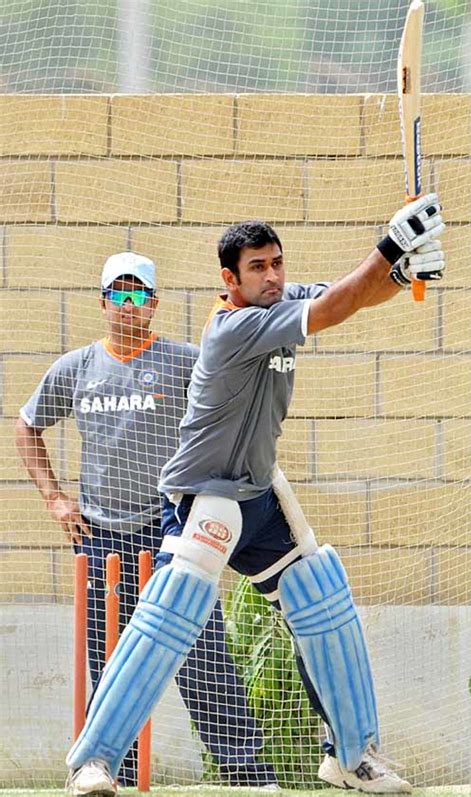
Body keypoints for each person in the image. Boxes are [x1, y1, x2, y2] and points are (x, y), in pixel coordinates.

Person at [64, 195, 446, 797]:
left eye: (277, 264)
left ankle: (351, 756)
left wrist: (401, 275)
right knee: (170, 615)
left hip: (260, 494)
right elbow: (339, 305)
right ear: (229, 279)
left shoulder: (280, 299)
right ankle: (95, 760)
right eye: (258, 268)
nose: (272, 277)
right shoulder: (234, 327)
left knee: (324, 603)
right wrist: (391, 247)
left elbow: (353, 293)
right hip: (205, 493)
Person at [15, 252, 280, 789]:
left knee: (203, 652)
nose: (129, 304)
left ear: (154, 304)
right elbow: (27, 427)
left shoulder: (184, 362)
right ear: (104, 302)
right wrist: (55, 499)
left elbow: (227, 402)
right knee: (111, 660)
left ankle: (245, 772)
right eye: (119, 293)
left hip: (172, 532)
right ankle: (109, 769)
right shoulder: (75, 367)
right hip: (100, 536)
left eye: (140, 294)